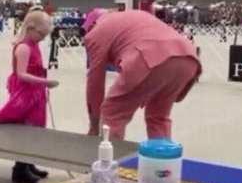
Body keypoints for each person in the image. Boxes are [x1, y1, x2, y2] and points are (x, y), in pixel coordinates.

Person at [84, 9, 201, 140]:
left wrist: (94, 124)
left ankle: (111, 158)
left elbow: (95, 82)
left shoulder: (95, 33)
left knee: (112, 112)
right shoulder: (133, 16)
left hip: (148, 58)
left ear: (91, 25)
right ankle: (161, 158)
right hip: (188, 56)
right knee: (158, 117)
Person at [0, 10, 59, 183]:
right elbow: (21, 74)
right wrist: (45, 82)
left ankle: (28, 164)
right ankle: (19, 170)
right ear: (31, 28)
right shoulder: (24, 47)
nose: (43, 38)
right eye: (41, 34)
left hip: (36, 91)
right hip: (25, 92)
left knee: (36, 127)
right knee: (26, 129)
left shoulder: (34, 45)